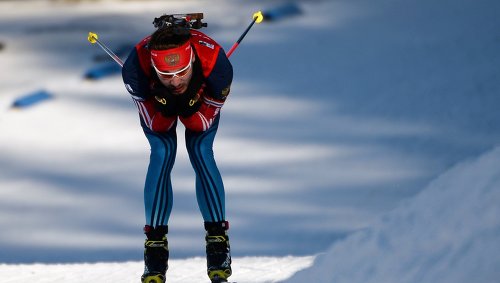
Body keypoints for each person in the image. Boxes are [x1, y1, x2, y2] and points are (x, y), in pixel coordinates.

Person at [121, 19, 233, 283]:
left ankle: (218, 243)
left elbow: (200, 123)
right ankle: (155, 249)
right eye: (166, 76)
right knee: (162, 150)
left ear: (192, 59)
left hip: (204, 87)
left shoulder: (217, 64)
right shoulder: (135, 68)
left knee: (200, 147)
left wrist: (191, 100)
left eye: (181, 72)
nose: (175, 81)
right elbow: (157, 125)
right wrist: (166, 104)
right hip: (153, 98)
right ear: (154, 68)